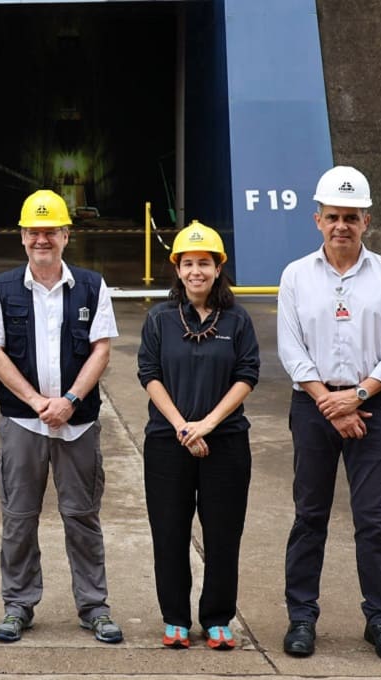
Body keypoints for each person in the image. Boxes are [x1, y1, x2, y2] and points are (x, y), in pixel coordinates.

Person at [278, 166, 381, 663]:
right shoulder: (295, 275)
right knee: (309, 517)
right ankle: (301, 619)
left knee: (374, 521)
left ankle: (380, 620)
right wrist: (330, 404)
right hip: (314, 406)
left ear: (367, 222)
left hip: (372, 408)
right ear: (317, 220)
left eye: (351, 217)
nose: (342, 225)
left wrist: (356, 396)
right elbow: (292, 350)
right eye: (333, 216)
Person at [0, 189, 122, 645]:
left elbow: (102, 350)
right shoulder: (2, 288)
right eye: (34, 231)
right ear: (22, 237)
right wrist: (37, 402)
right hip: (23, 423)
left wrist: (70, 400)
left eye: (50, 231)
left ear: (65, 236)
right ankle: (18, 605)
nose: (42, 239)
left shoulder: (93, 287)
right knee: (19, 517)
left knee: (82, 516)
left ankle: (94, 606)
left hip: (78, 424)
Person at [137, 221, 260, 651]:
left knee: (224, 532)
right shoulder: (159, 318)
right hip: (168, 440)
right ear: (177, 268)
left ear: (218, 267)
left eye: (204, 263)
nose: (196, 272)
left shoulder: (238, 320)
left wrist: (207, 424)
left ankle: (217, 618)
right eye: (188, 263)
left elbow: (247, 375)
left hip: (225, 441)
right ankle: (174, 617)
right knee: (169, 531)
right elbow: (149, 375)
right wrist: (183, 428)